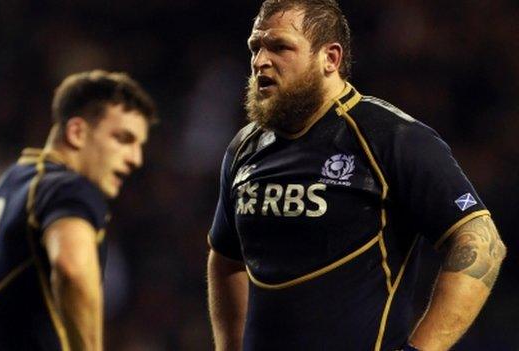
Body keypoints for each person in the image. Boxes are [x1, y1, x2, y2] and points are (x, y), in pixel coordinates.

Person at [207, 1, 506, 350]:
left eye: (280, 47)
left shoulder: (392, 138)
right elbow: (226, 258)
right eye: (255, 48)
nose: (260, 61)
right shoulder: (244, 148)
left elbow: (481, 241)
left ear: (330, 58)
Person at [0, 70, 157, 351]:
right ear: (77, 132)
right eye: (123, 139)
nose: (135, 159)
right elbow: (72, 268)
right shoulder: (69, 188)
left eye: (140, 146)